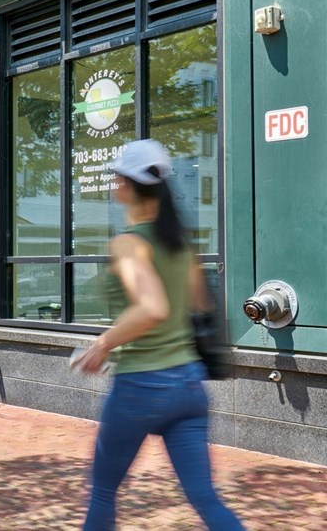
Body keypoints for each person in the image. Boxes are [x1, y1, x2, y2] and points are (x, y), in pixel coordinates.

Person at [72, 139, 243, 531]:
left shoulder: (129, 244)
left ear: (127, 185)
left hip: (141, 386)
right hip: (188, 386)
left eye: (116, 176)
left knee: (103, 492)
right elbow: (202, 306)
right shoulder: (181, 245)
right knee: (204, 497)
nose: (113, 183)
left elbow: (152, 308)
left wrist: (101, 344)